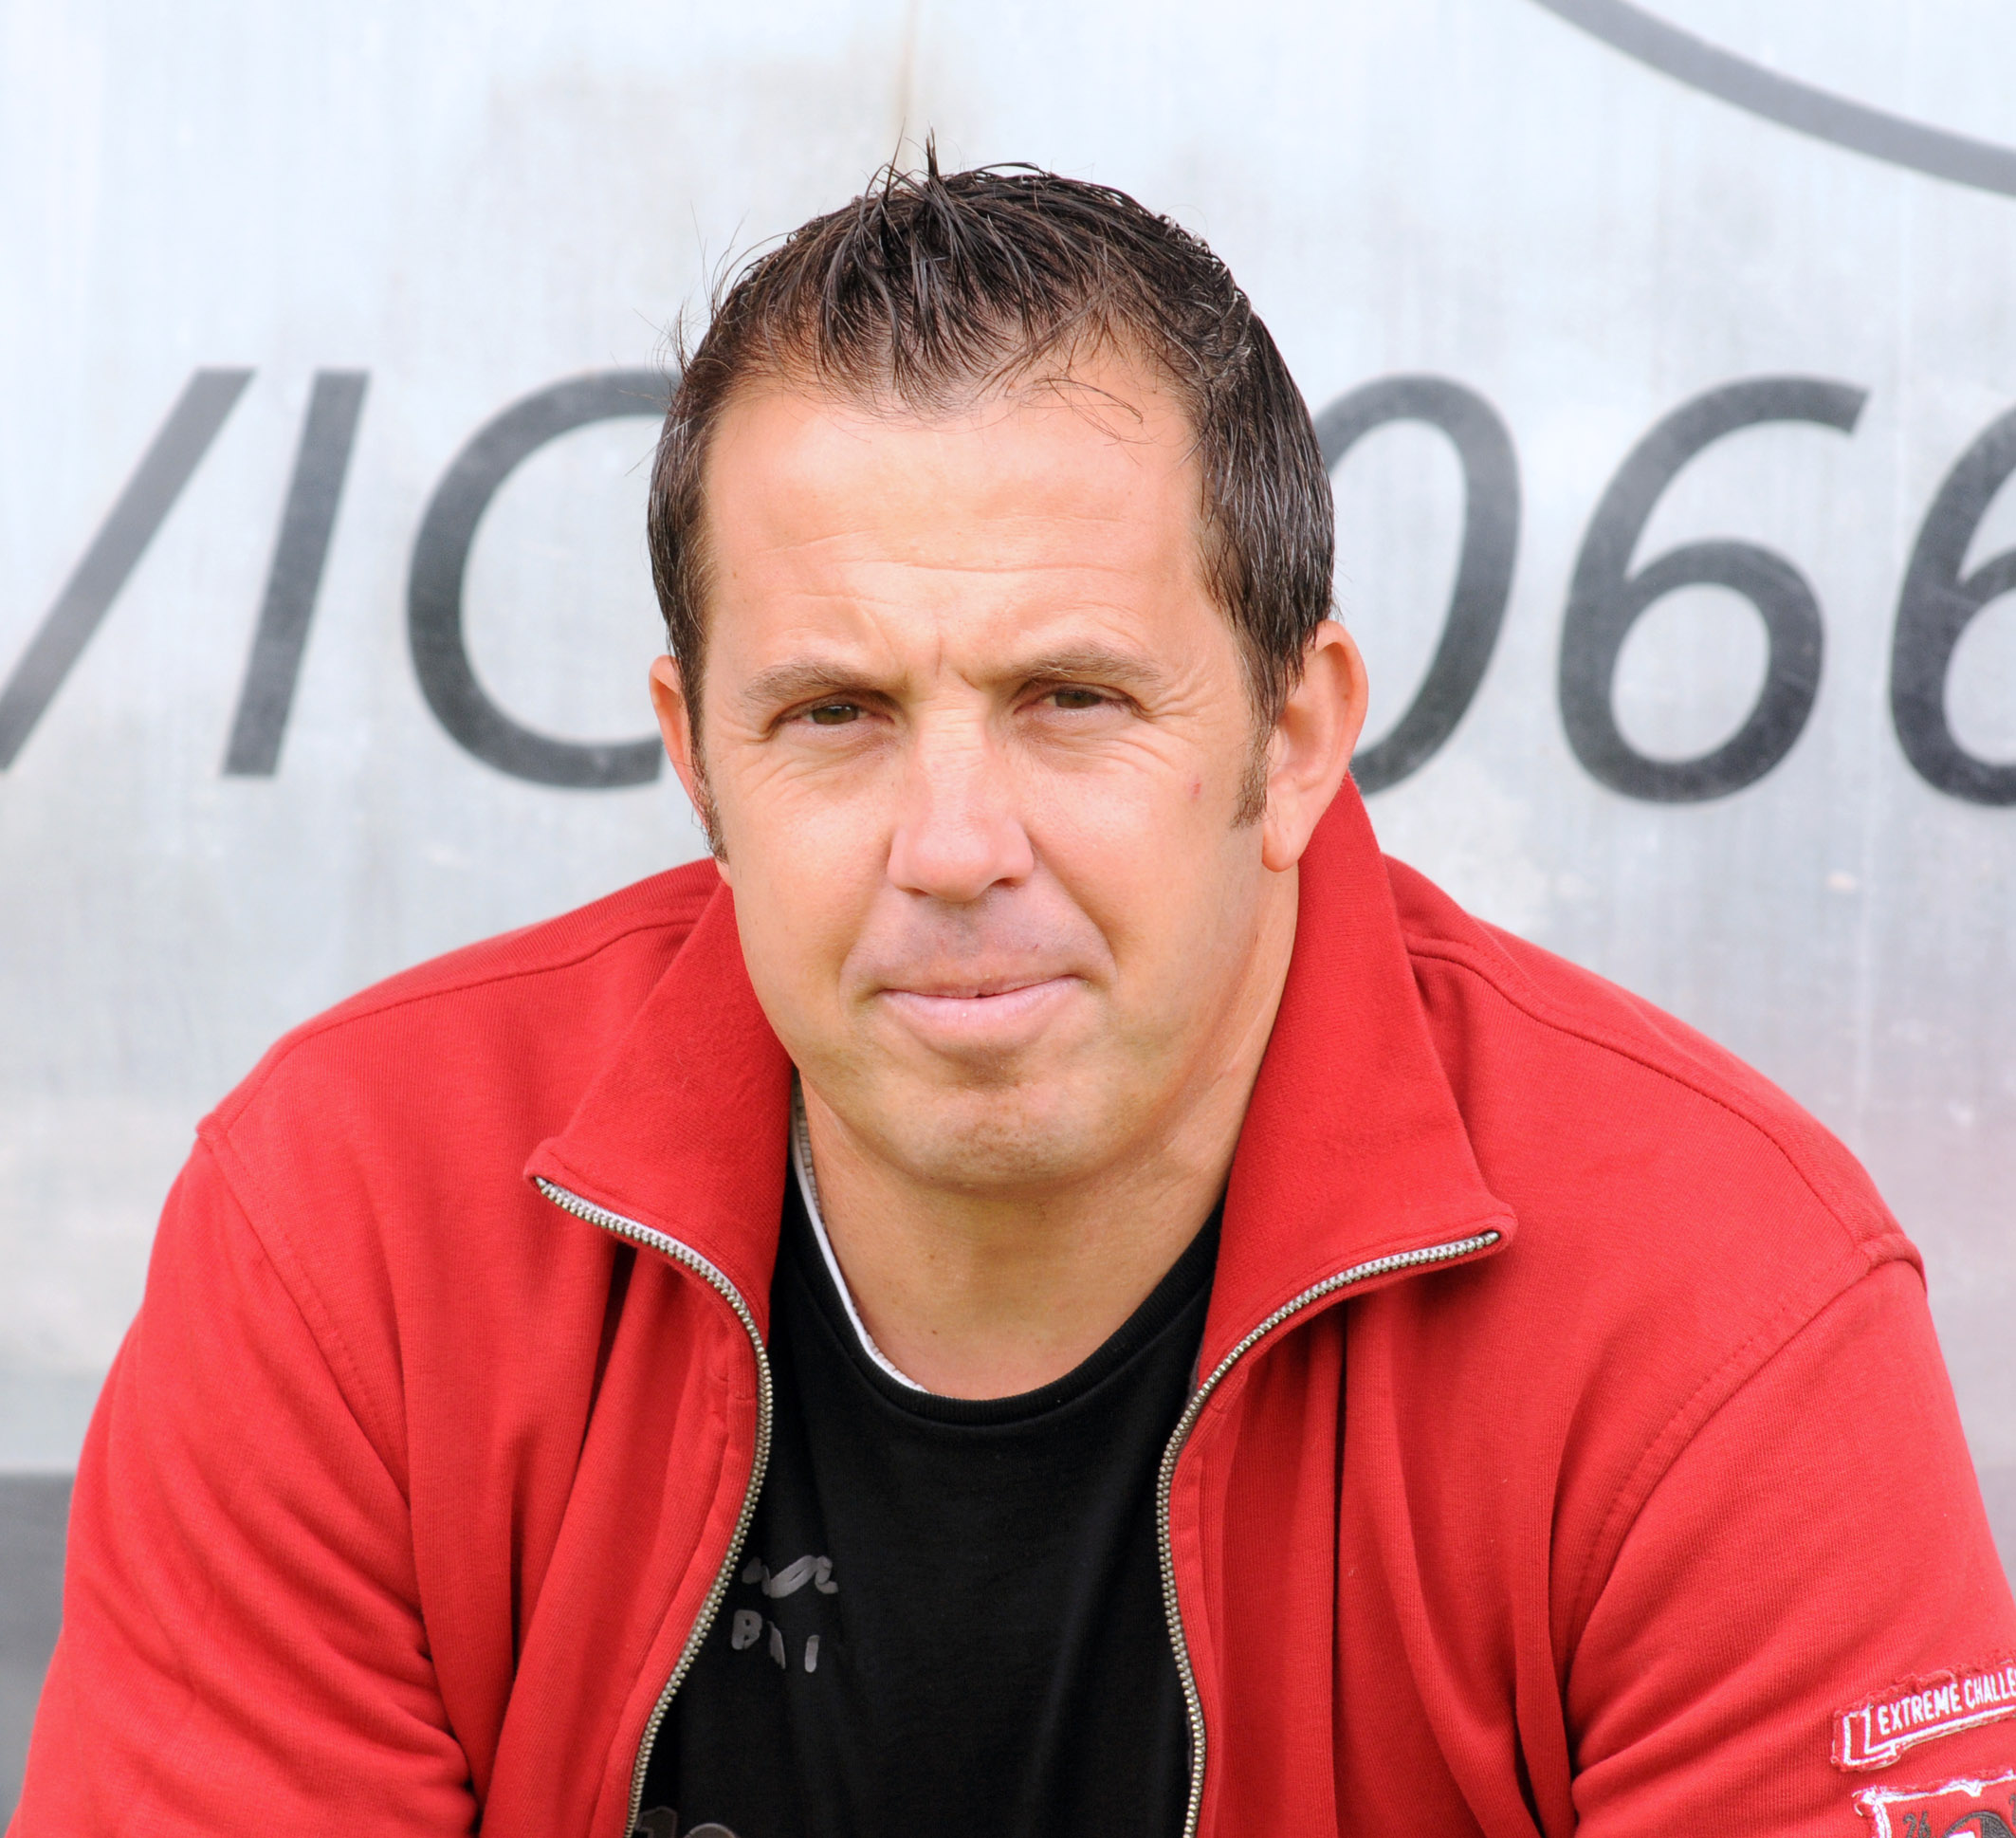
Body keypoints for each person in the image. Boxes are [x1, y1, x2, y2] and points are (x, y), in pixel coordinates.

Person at [16, 156, 2016, 1838]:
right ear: (697, 761)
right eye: (834, 712)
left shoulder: (1715, 1312)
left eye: (1071, 699)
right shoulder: (354, 1226)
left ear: (1295, 738)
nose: (954, 843)